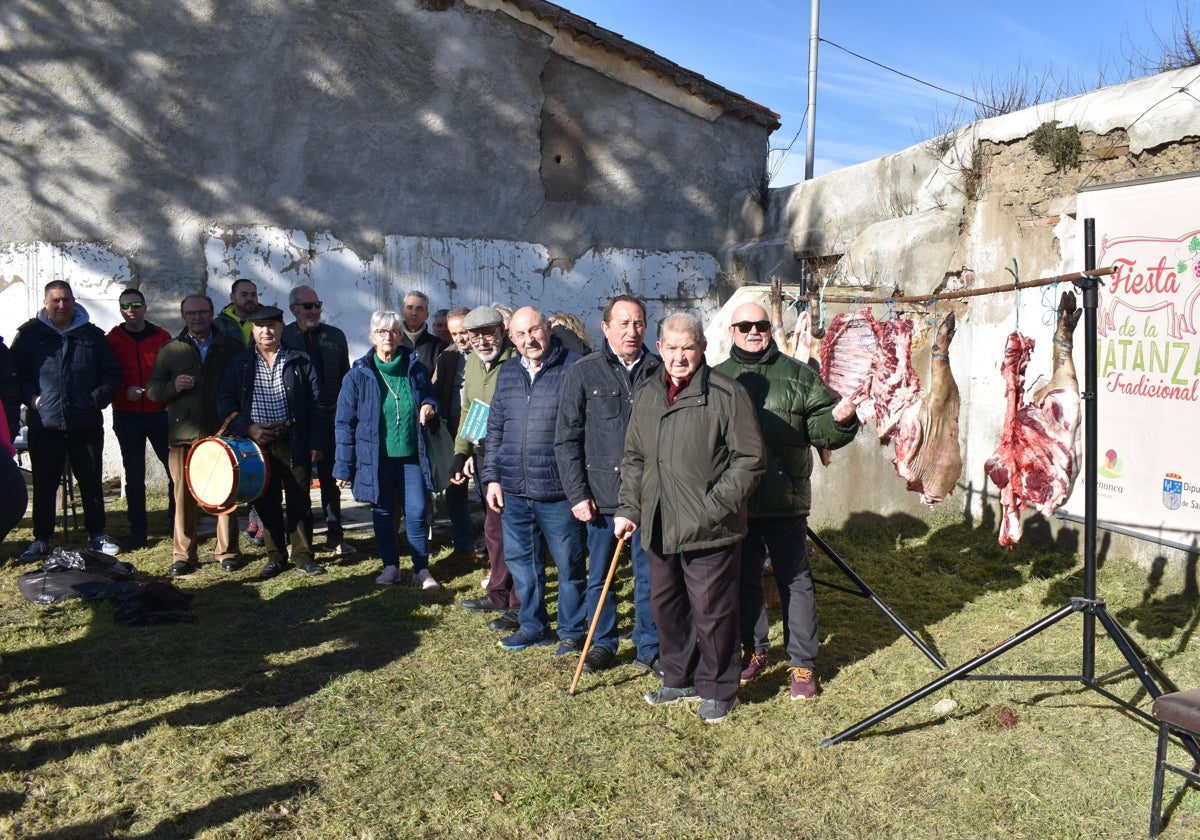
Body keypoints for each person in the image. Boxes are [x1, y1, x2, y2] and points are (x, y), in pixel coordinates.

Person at [614, 311, 765, 724]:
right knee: (667, 607)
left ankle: (719, 689)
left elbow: (749, 460)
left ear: (702, 349)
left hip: (711, 529)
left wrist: (714, 507)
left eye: (688, 348)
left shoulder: (726, 394)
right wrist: (629, 508)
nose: (679, 357)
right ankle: (678, 677)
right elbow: (633, 459)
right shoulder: (647, 393)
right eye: (672, 348)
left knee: (713, 612)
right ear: (659, 348)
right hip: (659, 523)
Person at [715, 302, 859, 700]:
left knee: (795, 581)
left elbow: (821, 427)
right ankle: (754, 649)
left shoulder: (798, 375)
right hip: (737, 502)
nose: (754, 331)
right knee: (744, 581)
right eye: (745, 325)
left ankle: (802, 664)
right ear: (732, 331)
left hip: (785, 499)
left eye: (761, 324)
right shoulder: (715, 378)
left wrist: (841, 419)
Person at [555, 295, 662, 675]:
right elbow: (566, 439)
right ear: (605, 327)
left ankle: (649, 646)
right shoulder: (583, 372)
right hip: (602, 498)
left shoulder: (660, 369)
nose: (631, 331)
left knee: (649, 576)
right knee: (601, 576)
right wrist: (577, 494)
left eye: (638, 323)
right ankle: (602, 642)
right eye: (623, 323)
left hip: (650, 496)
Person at [480, 306, 587, 653]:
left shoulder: (574, 367)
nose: (530, 340)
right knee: (523, 565)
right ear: (512, 338)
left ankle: (572, 632)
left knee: (569, 566)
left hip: (558, 490)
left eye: (535, 331)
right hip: (514, 490)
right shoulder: (508, 372)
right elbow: (495, 428)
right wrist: (492, 477)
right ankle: (533, 625)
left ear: (549, 330)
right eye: (521, 334)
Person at [13, 281, 122, 561]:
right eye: (56, 301)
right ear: (46, 303)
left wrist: (94, 400)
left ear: (74, 301)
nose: (62, 306)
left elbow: (111, 374)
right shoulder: (29, 336)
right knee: (45, 483)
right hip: (44, 424)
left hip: (84, 422)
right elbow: (16, 375)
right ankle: (41, 538)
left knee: (90, 481)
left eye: (67, 300)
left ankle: (97, 533)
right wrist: (33, 400)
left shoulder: (92, 336)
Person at [217, 304, 325, 579]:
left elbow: (316, 405)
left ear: (281, 327)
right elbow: (225, 401)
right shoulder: (241, 363)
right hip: (257, 443)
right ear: (252, 329)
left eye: (272, 325)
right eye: (260, 326)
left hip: (294, 437)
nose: (267, 331)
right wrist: (248, 427)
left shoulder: (300, 359)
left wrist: (316, 442)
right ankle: (275, 556)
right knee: (265, 501)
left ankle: (302, 556)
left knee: (299, 500)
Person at [334, 310, 441, 587]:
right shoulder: (359, 373)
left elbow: (429, 394)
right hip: (376, 458)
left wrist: (430, 405)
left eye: (393, 331)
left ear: (400, 335)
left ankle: (421, 569)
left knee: (417, 511)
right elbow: (344, 422)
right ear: (372, 336)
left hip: (411, 456)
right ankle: (391, 566)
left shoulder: (414, 367)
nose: (388, 337)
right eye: (382, 332)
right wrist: (344, 466)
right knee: (382, 512)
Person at [146, 294, 246, 575]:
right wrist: (173, 386)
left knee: (226, 493)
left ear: (212, 313)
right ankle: (183, 555)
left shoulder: (231, 348)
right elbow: (153, 390)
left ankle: (227, 551)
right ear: (183, 316)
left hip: (221, 432)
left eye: (203, 312)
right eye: (191, 313)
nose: (198, 318)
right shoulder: (171, 350)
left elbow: (242, 387)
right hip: (183, 435)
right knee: (183, 496)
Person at [451, 306, 520, 629]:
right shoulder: (474, 364)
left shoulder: (516, 361)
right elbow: (469, 410)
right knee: (493, 529)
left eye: (487, 333)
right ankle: (498, 591)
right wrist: (460, 451)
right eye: (474, 336)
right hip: (483, 457)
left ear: (501, 331)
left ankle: (520, 602)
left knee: (517, 530)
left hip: (513, 456)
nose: (481, 341)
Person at [282, 285, 354, 556]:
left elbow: (345, 375)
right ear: (294, 309)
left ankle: (335, 536)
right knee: (296, 483)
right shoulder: (285, 336)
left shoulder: (335, 336)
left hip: (332, 417)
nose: (314, 310)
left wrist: (344, 408)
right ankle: (299, 540)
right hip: (297, 421)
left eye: (317, 305)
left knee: (331, 481)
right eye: (307, 306)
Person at [105, 288, 173, 550]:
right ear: (120, 310)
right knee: (134, 476)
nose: (130, 310)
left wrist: (164, 396)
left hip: (159, 413)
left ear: (145, 307)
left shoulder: (161, 337)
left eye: (135, 305)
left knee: (174, 471)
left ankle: (175, 522)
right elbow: (107, 374)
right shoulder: (112, 339)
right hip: (127, 415)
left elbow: (171, 370)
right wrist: (124, 392)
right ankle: (138, 531)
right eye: (125, 306)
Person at [432, 305, 476, 562]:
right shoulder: (447, 356)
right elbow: (438, 389)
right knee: (455, 491)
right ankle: (464, 547)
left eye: (463, 332)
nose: (460, 338)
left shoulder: (487, 355)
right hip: (454, 435)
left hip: (481, 435)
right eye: (454, 333)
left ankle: (498, 554)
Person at [400, 291, 448, 374]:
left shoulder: (437, 346)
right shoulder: (392, 342)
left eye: (419, 309)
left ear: (427, 314)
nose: (414, 313)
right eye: (410, 307)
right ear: (402, 312)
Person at [212, 278, 260, 347]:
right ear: (232, 297)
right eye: (244, 295)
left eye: (253, 295)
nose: (250, 298)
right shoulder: (217, 326)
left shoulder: (270, 322)